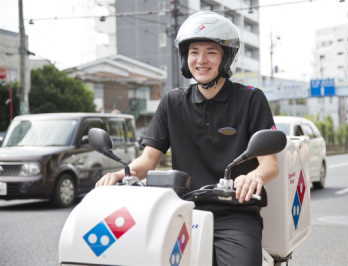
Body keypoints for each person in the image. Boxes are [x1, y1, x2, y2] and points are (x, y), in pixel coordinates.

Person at [96, 11, 279, 266]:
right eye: (194, 51)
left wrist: (254, 176)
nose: (201, 60)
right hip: (182, 210)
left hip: (235, 215)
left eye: (211, 52)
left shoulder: (250, 99)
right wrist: (122, 173)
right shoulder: (173, 102)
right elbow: (148, 160)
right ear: (185, 58)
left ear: (226, 57)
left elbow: (269, 163)